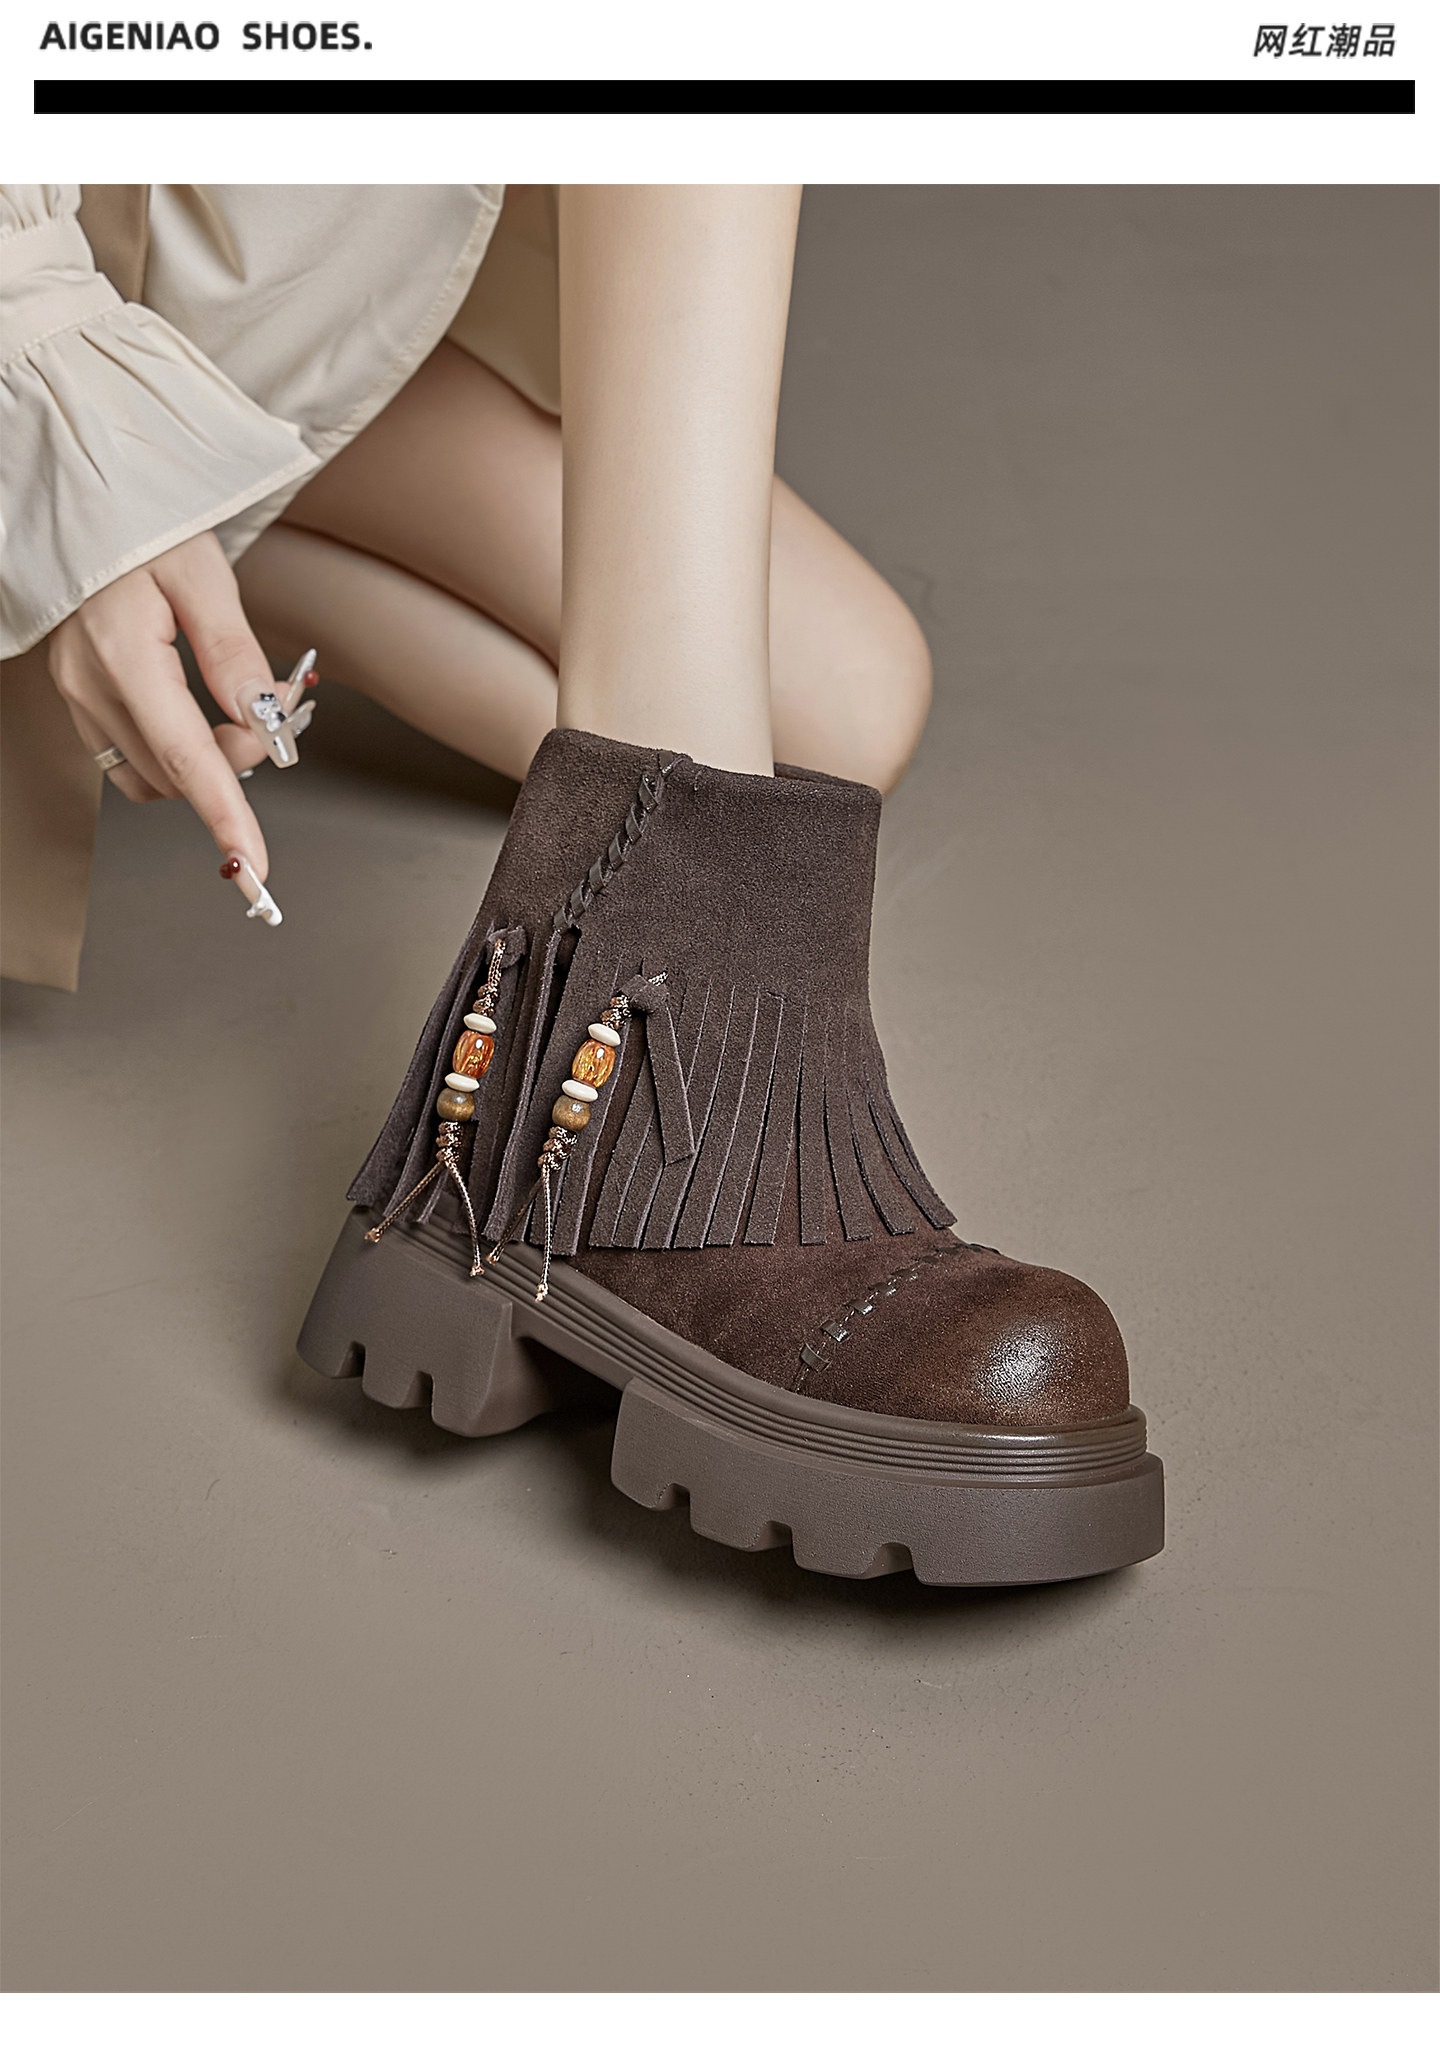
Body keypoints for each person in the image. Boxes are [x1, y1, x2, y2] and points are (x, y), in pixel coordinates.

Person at [2, 182, 1164, 1584]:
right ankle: (657, 1071)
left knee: (848, 703)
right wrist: (50, 378)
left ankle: (232, 573)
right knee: (754, 721)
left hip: (278, 241)